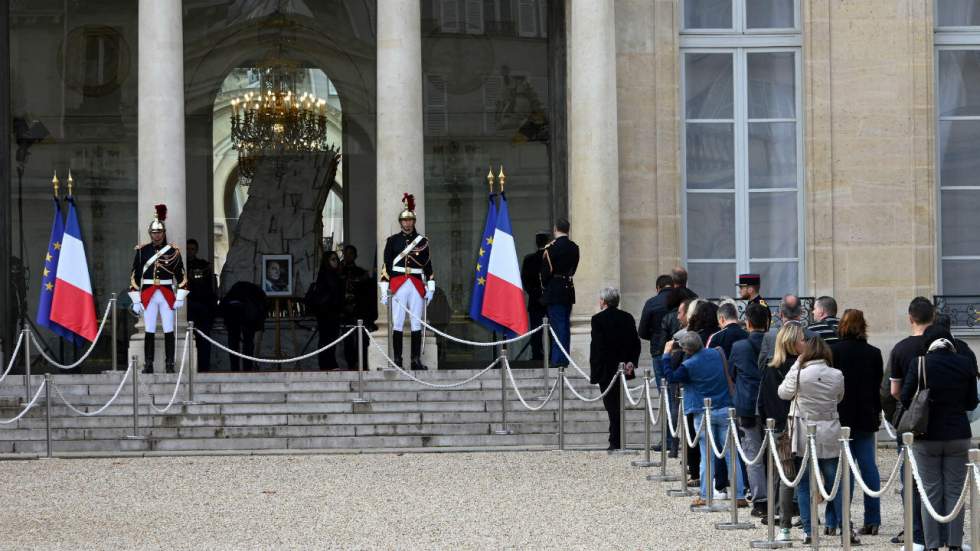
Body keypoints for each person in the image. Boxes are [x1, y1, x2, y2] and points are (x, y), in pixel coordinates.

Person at [901, 325, 979, 551]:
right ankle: (954, 543)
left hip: (927, 435)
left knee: (930, 491)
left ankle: (932, 545)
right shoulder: (965, 363)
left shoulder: (920, 363)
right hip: (958, 433)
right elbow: (972, 402)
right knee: (956, 491)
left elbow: (905, 398)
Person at [778, 336, 851, 546]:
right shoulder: (837, 374)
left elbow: (783, 393)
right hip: (829, 430)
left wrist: (796, 366)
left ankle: (809, 531)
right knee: (834, 483)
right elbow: (839, 397)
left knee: (803, 485)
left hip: (803, 431)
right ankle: (845, 527)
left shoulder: (799, 371)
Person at [665, 331, 746, 508]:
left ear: (687, 349)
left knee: (706, 456)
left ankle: (705, 494)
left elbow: (670, 377)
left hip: (703, 412)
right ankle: (739, 494)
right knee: (732, 455)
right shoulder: (717, 353)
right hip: (725, 407)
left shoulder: (689, 364)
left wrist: (666, 354)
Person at [885, 296, 934, 547]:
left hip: (911, 419)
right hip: (938, 417)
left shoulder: (902, 348)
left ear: (910, 318)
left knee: (911, 480)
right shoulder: (943, 343)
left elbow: (893, 390)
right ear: (932, 317)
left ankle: (916, 534)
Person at [830, 309, 883, 536]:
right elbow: (876, 388)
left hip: (841, 416)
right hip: (866, 415)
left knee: (843, 470)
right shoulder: (874, 353)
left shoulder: (834, 351)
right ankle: (873, 518)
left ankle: (838, 520)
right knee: (868, 467)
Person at [757, 322, 805, 542]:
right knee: (799, 476)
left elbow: (765, 402)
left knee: (785, 477)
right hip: (797, 426)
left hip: (779, 426)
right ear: (793, 342)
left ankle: (783, 521)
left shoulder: (770, 368)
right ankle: (803, 520)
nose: (805, 342)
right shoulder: (801, 367)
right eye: (802, 338)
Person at [379, 193, 436, 371]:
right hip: (398, 283)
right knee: (397, 322)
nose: (407, 223)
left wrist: (431, 286)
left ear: (414, 221)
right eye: (405, 221)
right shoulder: (392, 241)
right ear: (400, 222)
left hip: (417, 284)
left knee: (416, 322)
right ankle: (397, 359)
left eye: (410, 220)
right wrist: (383, 288)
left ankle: (415, 360)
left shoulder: (423, 242)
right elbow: (386, 265)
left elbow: (428, 265)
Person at [128, 204, 188, 374]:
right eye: (154, 233)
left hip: (167, 293)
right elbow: (134, 276)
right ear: (150, 234)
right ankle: (148, 363)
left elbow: (181, 276)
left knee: (169, 329)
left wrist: (180, 297)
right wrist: (136, 299)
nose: (157, 235)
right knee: (149, 330)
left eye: (159, 232)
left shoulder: (173, 252)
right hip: (148, 294)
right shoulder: (142, 251)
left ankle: (169, 364)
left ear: (163, 233)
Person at [729, 302, 769, 519]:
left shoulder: (739, 347)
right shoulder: (774, 343)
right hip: (771, 403)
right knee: (774, 453)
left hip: (747, 403)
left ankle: (760, 499)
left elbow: (732, 373)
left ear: (748, 322)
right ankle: (777, 496)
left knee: (753, 454)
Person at [588, 287, 640, 451]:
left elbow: (597, 347)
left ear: (603, 301)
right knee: (617, 405)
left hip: (606, 369)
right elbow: (635, 342)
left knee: (611, 406)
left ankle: (615, 440)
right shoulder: (627, 317)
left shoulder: (597, 319)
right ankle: (617, 438)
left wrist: (595, 371)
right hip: (623, 366)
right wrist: (631, 361)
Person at [540, 218, 579, 368]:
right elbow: (573, 270)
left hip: (554, 289)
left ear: (556, 229)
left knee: (558, 326)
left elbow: (545, 273)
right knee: (564, 324)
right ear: (568, 230)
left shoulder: (551, 248)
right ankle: (563, 356)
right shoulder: (574, 247)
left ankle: (559, 359)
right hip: (568, 289)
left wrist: (545, 287)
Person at [340, 245, 377, 370]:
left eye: (351, 253)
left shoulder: (361, 273)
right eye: (346, 253)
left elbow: (367, 294)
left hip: (360, 312)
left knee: (363, 341)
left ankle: (363, 364)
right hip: (345, 313)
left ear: (355, 256)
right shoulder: (339, 272)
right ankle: (351, 365)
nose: (348, 256)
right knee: (348, 342)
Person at [758, 295, 814, 370]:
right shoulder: (813, 336)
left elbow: (761, 366)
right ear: (801, 313)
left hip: (776, 381)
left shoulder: (770, 336)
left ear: (781, 314)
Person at [220, 281, 266, 372]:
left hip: (238, 311)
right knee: (247, 342)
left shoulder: (236, 296)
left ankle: (235, 369)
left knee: (235, 342)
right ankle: (246, 368)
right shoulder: (256, 298)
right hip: (245, 313)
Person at [186, 238, 217, 372]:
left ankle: (204, 368)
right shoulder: (180, 264)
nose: (190, 252)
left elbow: (210, 287)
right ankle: (188, 367)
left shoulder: (204, 265)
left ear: (196, 250)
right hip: (187, 307)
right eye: (188, 249)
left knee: (204, 340)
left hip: (203, 306)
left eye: (192, 249)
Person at [637, 274, 674, 379]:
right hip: (679, 349)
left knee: (662, 387)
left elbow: (642, 331)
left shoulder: (651, 303)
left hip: (659, 349)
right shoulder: (682, 300)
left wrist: (654, 336)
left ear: (658, 288)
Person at [312, 251, 344, 371]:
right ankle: (328, 363)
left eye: (336, 259)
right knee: (327, 338)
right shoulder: (328, 274)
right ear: (327, 261)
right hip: (327, 312)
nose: (336, 262)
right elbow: (333, 293)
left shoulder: (332, 274)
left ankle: (328, 363)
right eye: (333, 259)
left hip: (330, 312)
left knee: (330, 339)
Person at [521, 232, 550, 360]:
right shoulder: (550, 258)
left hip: (535, 299)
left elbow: (525, 280)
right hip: (549, 299)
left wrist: (533, 292)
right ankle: (552, 355)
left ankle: (537, 355)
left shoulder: (529, 259)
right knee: (552, 331)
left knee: (536, 330)